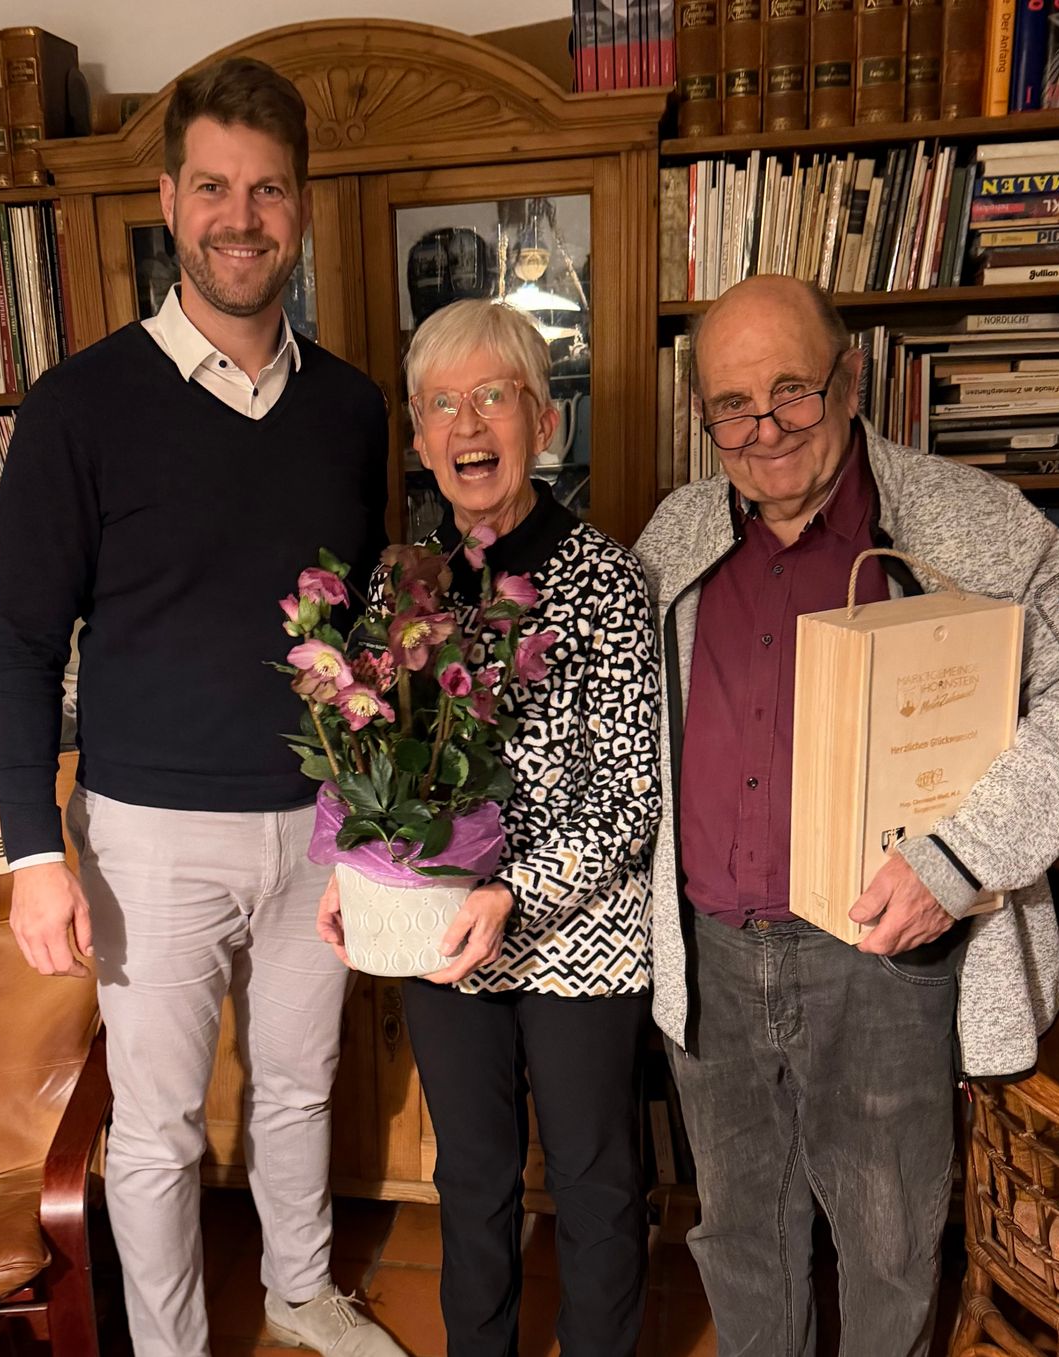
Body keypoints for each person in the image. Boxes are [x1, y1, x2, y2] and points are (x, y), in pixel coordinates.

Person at [634, 275, 1059, 1357]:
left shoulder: (975, 525)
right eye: (732, 405)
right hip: (711, 955)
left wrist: (955, 862)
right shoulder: (674, 534)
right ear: (704, 415)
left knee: (887, 1244)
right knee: (737, 1236)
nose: (763, 429)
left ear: (851, 378)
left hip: (884, 957)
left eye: (792, 392)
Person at [0, 58, 400, 1357]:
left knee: (299, 1087)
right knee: (157, 1127)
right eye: (213, 186)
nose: (241, 215)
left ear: (303, 210)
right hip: (145, 838)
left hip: (317, 834)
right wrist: (31, 854)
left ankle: (298, 1287)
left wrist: (379, 822)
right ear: (169, 201)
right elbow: (16, 642)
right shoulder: (80, 407)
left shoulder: (349, 410)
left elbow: (364, 625)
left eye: (268, 190)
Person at [319, 299, 661, 1357]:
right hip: (436, 934)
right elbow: (367, 751)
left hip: (582, 937)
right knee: (468, 1172)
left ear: (543, 422)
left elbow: (634, 794)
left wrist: (515, 893)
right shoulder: (396, 584)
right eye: (442, 404)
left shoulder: (606, 578)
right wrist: (347, 865)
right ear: (419, 440)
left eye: (495, 397)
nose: (470, 424)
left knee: (599, 1178)